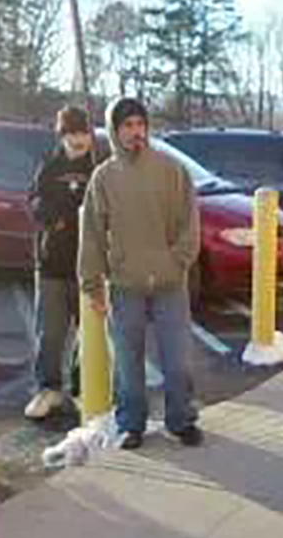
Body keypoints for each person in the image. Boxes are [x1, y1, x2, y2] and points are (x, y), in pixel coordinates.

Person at [78, 97, 203, 450]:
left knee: (178, 361)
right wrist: (93, 285)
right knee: (128, 366)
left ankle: (181, 420)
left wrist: (175, 262)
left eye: (140, 124)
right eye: (127, 126)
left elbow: (190, 226)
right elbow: (91, 236)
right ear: (115, 131)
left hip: (169, 285)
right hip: (125, 286)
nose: (135, 132)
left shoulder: (172, 170)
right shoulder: (103, 178)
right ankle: (131, 424)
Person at [25, 106, 95, 419]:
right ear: (62, 135)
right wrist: (57, 217)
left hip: (90, 265)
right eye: (71, 133)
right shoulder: (49, 166)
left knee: (90, 332)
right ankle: (47, 390)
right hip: (52, 264)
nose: (77, 139)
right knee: (50, 333)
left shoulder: (100, 166)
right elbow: (35, 203)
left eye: (82, 132)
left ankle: (83, 389)